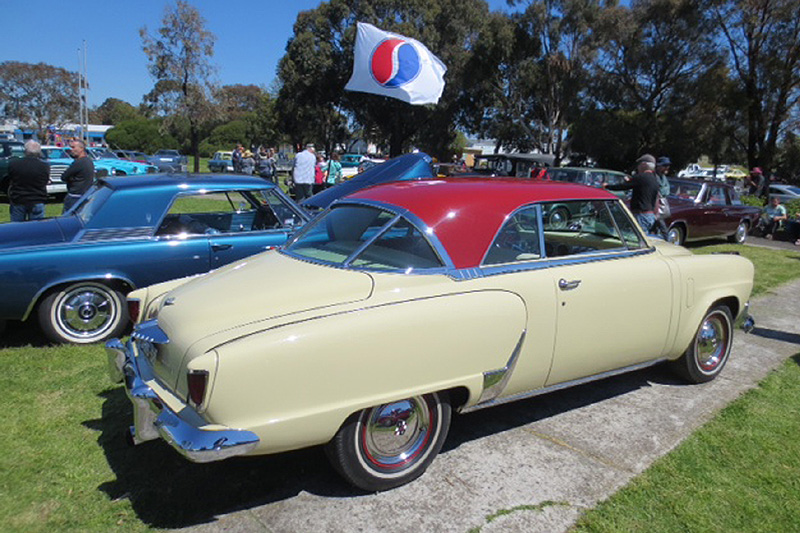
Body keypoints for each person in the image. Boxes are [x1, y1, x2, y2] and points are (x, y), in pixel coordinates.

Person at [605, 154, 660, 234]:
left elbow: (622, 186)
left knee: (635, 238)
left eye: (639, 164)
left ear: (644, 164)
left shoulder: (641, 177)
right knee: (644, 236)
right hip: (650, 215)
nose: (638, 167)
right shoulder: (655, 180)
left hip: (640, 215)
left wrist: (607, 186)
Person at [7, 140, 49, 222]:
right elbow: (45, 181)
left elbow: (11, 179)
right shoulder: (44, 166)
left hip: (18, 199)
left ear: (25, 151)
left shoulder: (14, 164)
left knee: (17, 227)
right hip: (37, 199)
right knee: (36, 227)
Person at [61, 138, 95, 213]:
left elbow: (64, 177)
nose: (71, 150)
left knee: (68, 218)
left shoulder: (79, 163)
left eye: (73, 147)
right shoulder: (89, 161)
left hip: (75, 196)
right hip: (85, 195)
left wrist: (71, 179)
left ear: (81, 148)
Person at [653, 156, 672, 239]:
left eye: (668, 166)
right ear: (658, 166)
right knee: (663, 228)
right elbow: (659, 190)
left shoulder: (664, 178)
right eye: (665, 166)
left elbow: (667, 191)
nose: (667, 168)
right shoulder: (653, 176)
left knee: (658, 227)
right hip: (654, 206)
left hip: (661, 205)